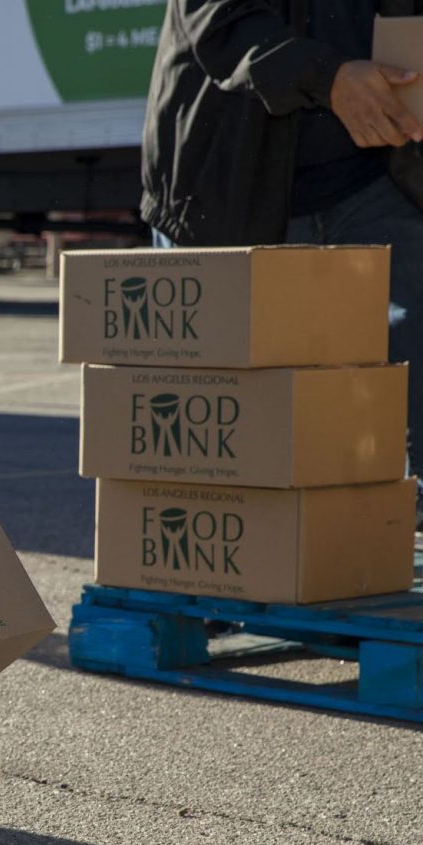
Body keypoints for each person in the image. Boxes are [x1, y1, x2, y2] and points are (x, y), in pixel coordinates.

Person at [144, 0, 423, 516]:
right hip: (232, 185)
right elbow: (220, 20)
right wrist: (329, 77)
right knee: (230, 430)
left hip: (375, 178)